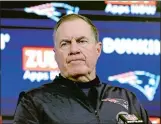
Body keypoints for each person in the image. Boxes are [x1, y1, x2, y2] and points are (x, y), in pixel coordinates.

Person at [13, 14, 151, 124]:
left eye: (81, 41)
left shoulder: (127, 99)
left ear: (98, 49)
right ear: (55, 55)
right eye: (65, 43)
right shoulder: (34, 102)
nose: (74, 50)